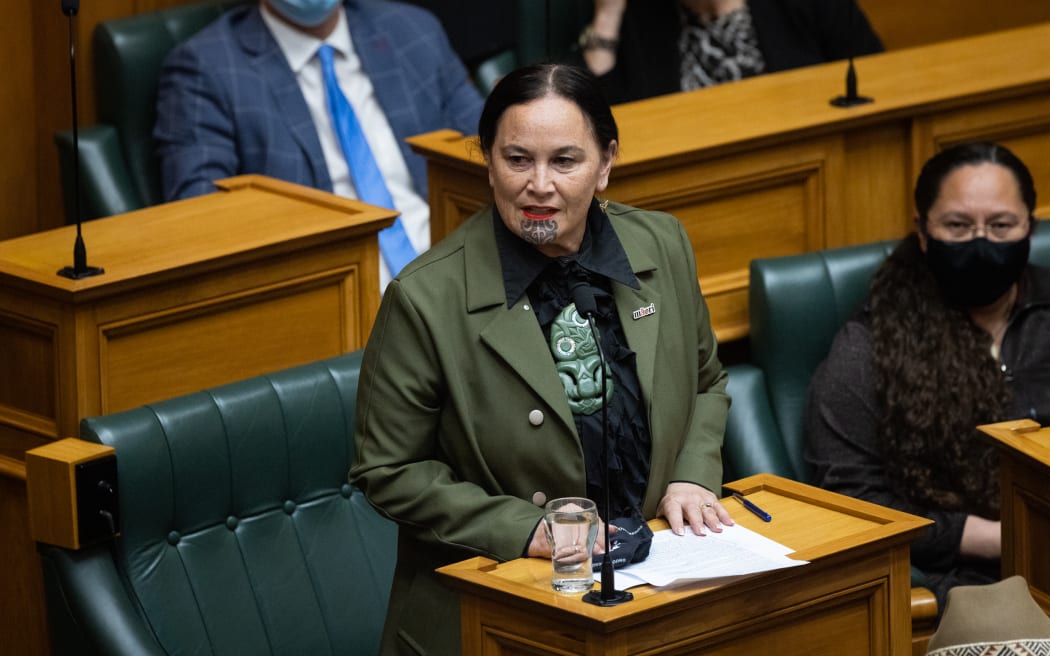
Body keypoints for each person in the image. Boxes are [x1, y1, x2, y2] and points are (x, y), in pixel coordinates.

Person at [350, 62, 733, 655]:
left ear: (605, 164)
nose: (539, 185)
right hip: (496, 606)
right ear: (489, 162)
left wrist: (691, 473)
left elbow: (705, 379)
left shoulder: (661, 242)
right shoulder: (425, 297)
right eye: (517, 159)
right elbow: (387, 470)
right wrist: (526, 529)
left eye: (565, 161)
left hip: (657, 579)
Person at [805, 142, 1050, 610]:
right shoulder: (870, 346)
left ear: (1030, 229)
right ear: (923, 231)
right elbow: (852, 502)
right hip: (965, 579)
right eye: (958, 225)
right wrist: (1003, 537)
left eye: (1001, 225)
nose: (981, 241)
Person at [153, 0, 483, 288]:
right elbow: (201, 216)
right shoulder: (205, 68)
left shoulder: (412, 30)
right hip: (335, 295)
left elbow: (491, 150)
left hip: (461, 270)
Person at [578, 0, 883, 104]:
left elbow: (876, 77)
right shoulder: (642, 18)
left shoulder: (800, 5)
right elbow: (601, 128)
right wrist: (608, 16)